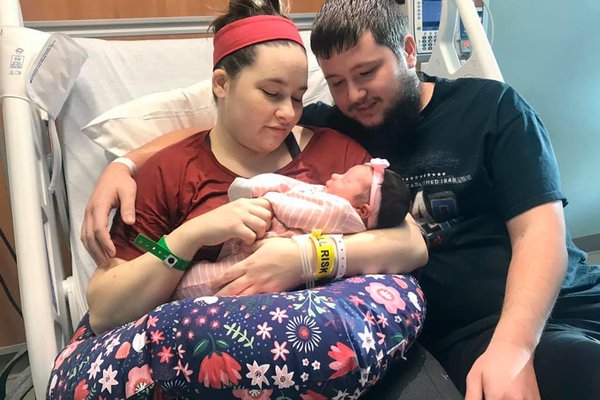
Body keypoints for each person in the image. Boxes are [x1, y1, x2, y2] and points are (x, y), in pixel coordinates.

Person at [83, 1, 600, 399]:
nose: (353, 96)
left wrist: (513, 346)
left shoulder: (485, 108)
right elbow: (227, 128)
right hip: (445, 334)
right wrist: (125, 163)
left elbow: (537, 233)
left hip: (548, 309)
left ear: (408, 52)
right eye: (334, 83)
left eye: (366, 73)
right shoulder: (335, 129)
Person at [174, 160, 411, 299]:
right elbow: (297, 188)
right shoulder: (334, 200)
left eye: (346, 179)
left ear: (362, 210)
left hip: (259, 260)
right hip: (259, 252)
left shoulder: (338, 211)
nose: (336, 175)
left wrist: (268, 199)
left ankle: (176, 296)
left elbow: (295, 208)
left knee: (209, 280)